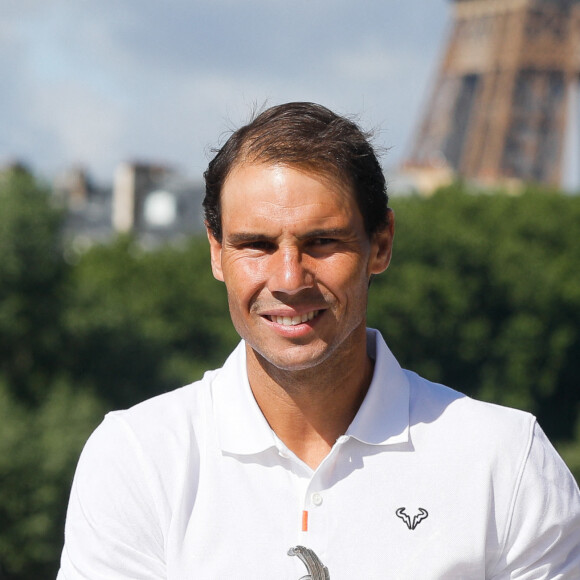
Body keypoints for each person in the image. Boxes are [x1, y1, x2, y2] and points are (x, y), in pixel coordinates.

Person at [58, 102, 580, 579]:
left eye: (322, 242)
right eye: (256, 245)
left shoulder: (508, 462)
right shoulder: (136, 458)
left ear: (381, 245)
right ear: (215, 253)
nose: (289, 278)